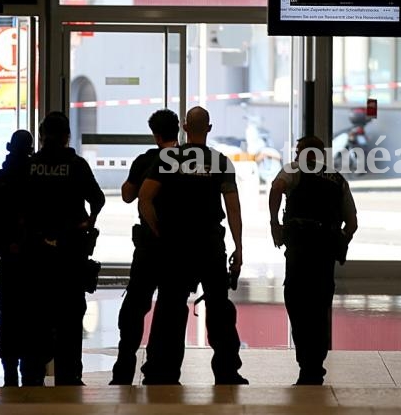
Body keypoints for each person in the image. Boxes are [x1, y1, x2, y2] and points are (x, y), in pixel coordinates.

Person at [137, 106, 247, 385]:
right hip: (210, 244)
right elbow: (233, 209)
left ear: (185, 128)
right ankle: (226, 371)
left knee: (169, 309)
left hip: (176, 245)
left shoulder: (169, 158)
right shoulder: (221, 162)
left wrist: (158, 231)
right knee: (220, 310)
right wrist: (239, 247)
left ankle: (162, 371)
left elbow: (144, 198)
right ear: (209, 128)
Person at [21, 111, 105, 386]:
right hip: (70, 253)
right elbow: (98, 198)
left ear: (42, 135)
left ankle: (33, 375)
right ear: (67, 136)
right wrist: (87, 224)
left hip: (35, 255)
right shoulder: (76, 165)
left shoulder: (30, 165)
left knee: (36, 316)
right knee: (70, 318)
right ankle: (69, 376)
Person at [269, 135, 358, 385]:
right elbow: (352, 223)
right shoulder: (338, 180)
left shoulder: (295, 170)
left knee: (296, 301)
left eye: (297, 150)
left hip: (300, 247)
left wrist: (274, 223)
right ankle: (315, 365)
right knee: (320, 306)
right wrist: (340, 241)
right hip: (325, 249)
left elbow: (276, 188)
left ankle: (306, 362)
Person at [109, 109, 179, 385]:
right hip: (178, 248)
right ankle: (160, 368)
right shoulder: (187, 161)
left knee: (135, 307)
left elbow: (128, 195)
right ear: (178, 130)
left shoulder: (146, 160)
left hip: (150, 246)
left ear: (156, 134)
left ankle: (125, 367)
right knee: (170, 308)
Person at [0, 130, 34, 386]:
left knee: (8, 315)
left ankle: (10, 370)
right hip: (36, 260)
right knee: (34, 314)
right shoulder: (37, 179)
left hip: (7, 261)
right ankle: (31, 371)